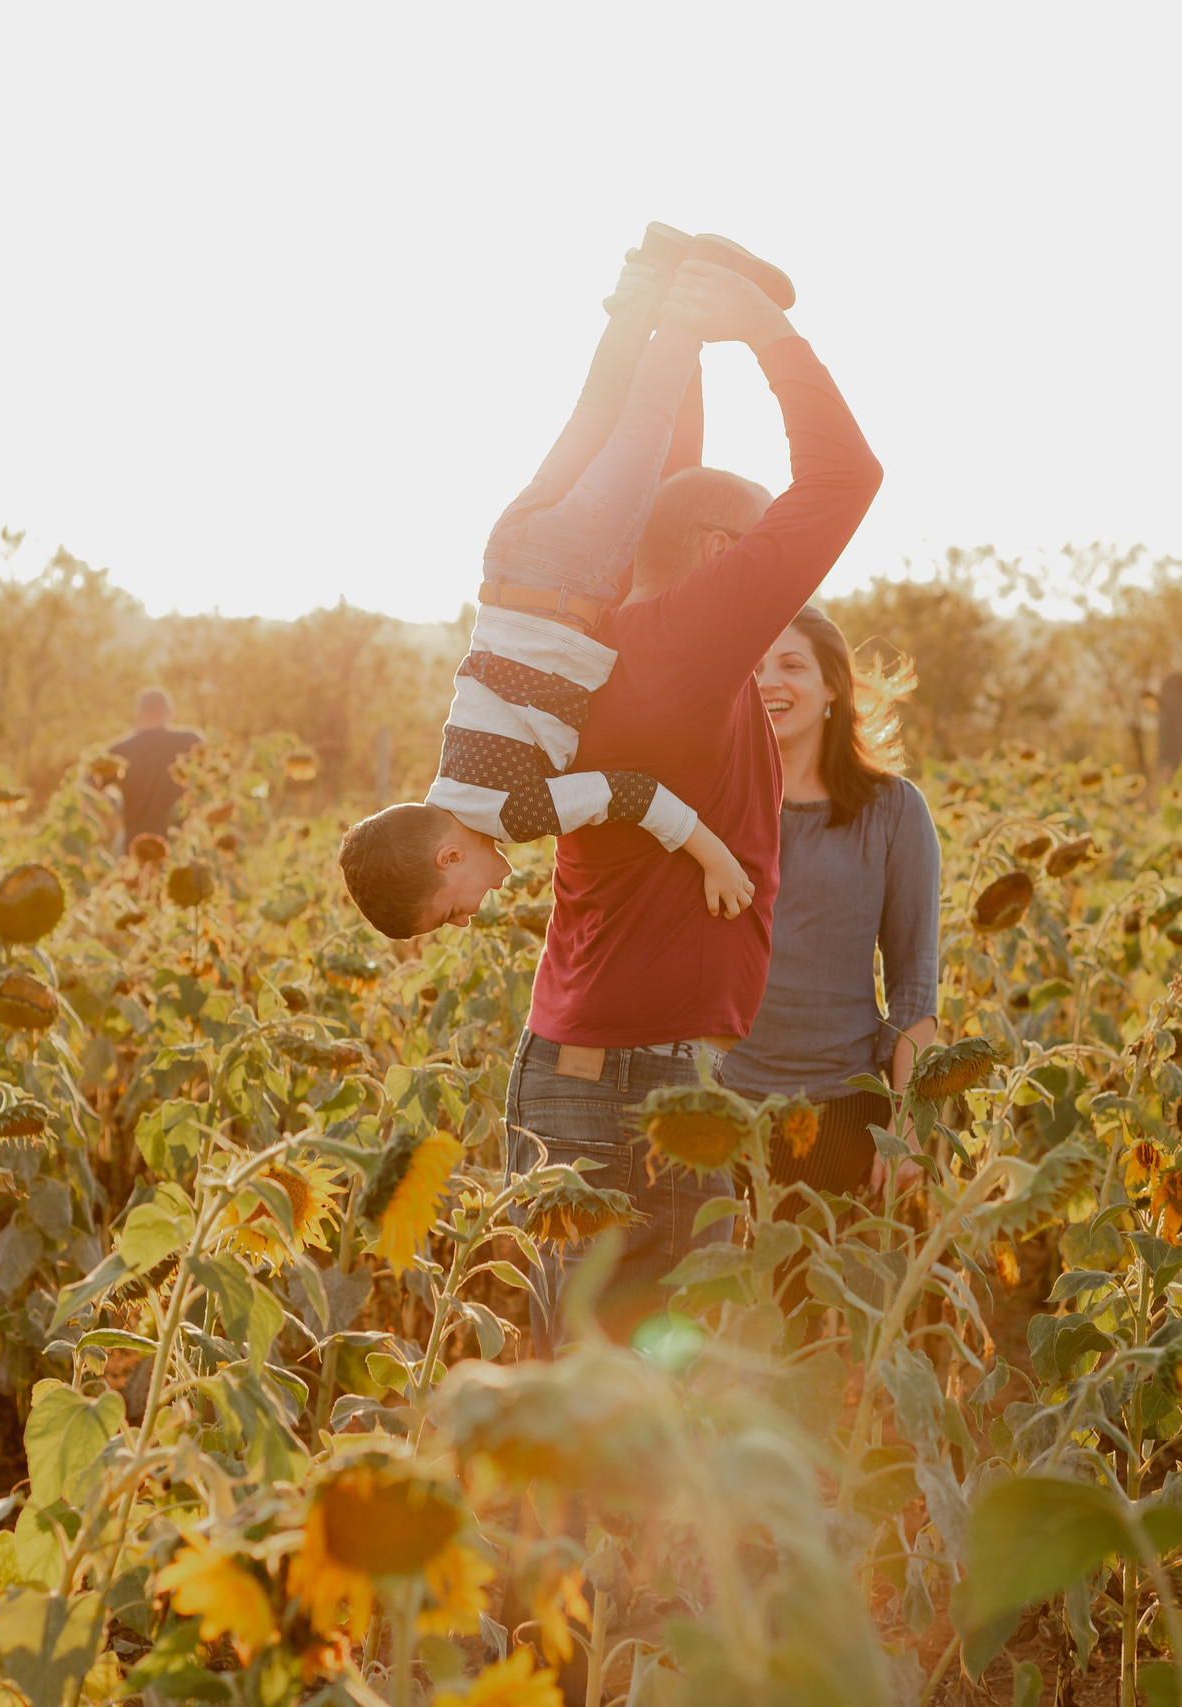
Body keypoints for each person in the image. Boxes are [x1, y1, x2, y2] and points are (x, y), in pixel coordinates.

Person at [503, 259, 884, 1349]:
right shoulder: (683, 644)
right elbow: (845, 478)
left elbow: (661, 478)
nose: (777, 585)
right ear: (722, 561)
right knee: (636, 1398)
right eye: (754, 552)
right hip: (632, 1086)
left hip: (591, 1066)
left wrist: (685, 341)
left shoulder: (622, 619)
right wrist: (766, 332)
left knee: (587, 1383)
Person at [338, 226, 787, 938]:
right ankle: (653, 266)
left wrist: (715, 856)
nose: (473, 911)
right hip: (510, 562)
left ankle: (698, 285)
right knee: (599, 409)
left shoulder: (512, 813)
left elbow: (633, 794)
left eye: (454, 906)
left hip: (570, 577)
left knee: (646, 421)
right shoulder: (452, 781)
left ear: (449, 855)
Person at [720, 608, 941, 1199]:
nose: (770, 682)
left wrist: (909, 1129)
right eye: (757, 667)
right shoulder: (715, 809)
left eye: (793, 666)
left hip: (842, 1113)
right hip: (720, 1107)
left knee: (812, 1291)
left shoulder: (893, 810)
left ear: (833, 688)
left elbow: (914, 985)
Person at [110, 689, 203, 850]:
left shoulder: (118, 750)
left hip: (136, 849)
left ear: (137, 715)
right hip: (181, 848)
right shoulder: (191, 741)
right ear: (170, 713)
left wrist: (114, 801)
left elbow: (88, 787)